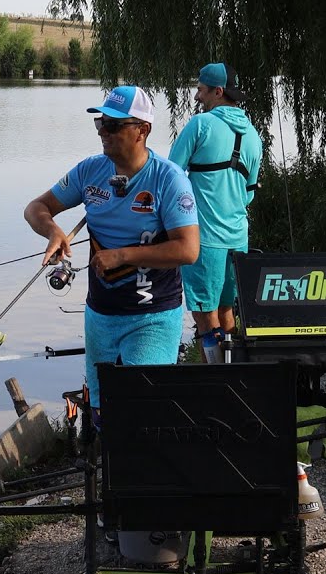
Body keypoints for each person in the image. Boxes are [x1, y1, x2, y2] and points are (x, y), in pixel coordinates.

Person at [24, 85, 200, 416]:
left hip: (152, 315)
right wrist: (53, 231)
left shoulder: (169, 180)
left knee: (142, 410)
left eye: (113, 125)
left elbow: (188, 250)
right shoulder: (90, 171)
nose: (103, 132)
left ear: (142, 130)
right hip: (101, 315)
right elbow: (36, 208)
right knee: (102, 412)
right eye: (100, 123)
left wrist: (122, 256)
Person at [169, 63, 263, 363]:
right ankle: (233, 372)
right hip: (238, 239)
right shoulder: (254, 136)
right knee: (226, 310)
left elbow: (170, 175)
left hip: (204, 239)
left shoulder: (200, 125)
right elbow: (249, 193)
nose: (197, 96)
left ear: (218, 91)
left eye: (200, 90)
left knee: (204, 315)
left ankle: (215, 375)